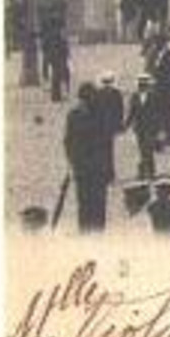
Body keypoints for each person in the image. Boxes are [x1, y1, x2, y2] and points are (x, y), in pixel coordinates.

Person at [64, 83, 112, 233]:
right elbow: (68, 141)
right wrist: (73, 161)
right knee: (86, 203)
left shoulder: (96, 115)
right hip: (87, 168)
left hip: (94, 168)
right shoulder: (76, 116)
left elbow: (107, 143)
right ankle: (86, 233)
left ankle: (95, 233)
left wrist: (109, 168)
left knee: (97, 204)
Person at [124, 73, 163, 180]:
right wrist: (126, 125)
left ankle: (148, 171)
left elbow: (158, 113)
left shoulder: (154, 96)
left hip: (150, 127)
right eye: (140, 84)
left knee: (148, 149)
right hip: (139, 128)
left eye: (144, 84)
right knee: (142, 149)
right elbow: (131, 113)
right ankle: (145, 171)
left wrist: (160, 128)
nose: (142, 86)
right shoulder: (134, 96)